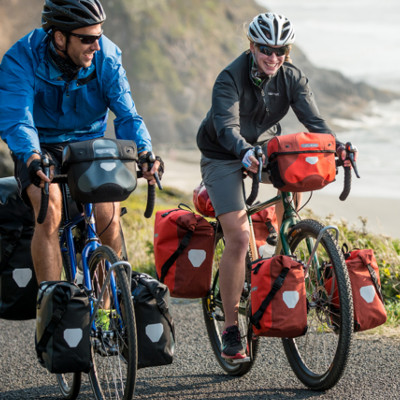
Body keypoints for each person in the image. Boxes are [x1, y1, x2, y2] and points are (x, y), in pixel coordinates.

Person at [196, 12, 357, 360]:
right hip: (223, 153)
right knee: (238, 238)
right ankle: (230, 331)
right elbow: (226, 127)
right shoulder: (229, 78)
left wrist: (339, 146)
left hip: (265, 146)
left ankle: (283, 236)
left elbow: (315, 123)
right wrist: (243, 153)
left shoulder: (292, 77)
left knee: (296, 165)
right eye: (266, 49)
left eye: (280, 50)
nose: (273, 57)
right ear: (252, 46)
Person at [0, 0, 163, 284]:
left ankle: (108, 309)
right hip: (40, 145)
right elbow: (17, 119)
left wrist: (144, 151)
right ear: (60, 37)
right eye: (87, 39)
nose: (96, 46)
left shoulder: (107, 57)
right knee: (49, 208)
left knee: (108, 214)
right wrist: (31, 155)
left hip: (89, 143)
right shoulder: (21, 59)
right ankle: (52, 304)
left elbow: (127, 116)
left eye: (98, 37)